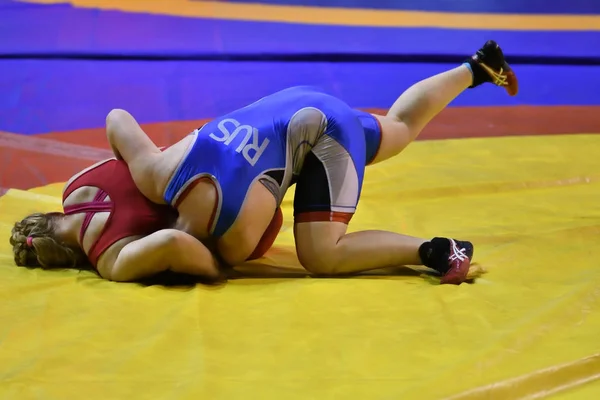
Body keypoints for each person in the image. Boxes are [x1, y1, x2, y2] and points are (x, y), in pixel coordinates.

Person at [103, 40, 518, 285]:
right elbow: (116, 117)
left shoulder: (232, 243)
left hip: (321, 133)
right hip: (295, 103)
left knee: (321, 255)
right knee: (399, 128)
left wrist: (205, 267)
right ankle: (475, 69)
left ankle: (439, 251)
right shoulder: (158, 174)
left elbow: (261, 237)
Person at [9, 157, 225, 282]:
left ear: (67, 258)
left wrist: (219, 271)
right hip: (210, 150)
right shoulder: (75, 183)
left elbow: (171, 242)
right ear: (52, 215)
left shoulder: (109, 261)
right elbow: (138, 156)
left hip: (227, 206)